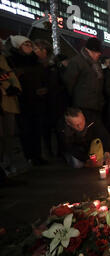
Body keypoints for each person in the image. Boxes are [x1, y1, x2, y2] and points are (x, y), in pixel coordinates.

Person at [7, 35, 48, 166]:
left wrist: (44, 88)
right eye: (26, 45)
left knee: (37, 129)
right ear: (19, 47)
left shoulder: (36, 62)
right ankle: (29, 156)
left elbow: (43, 78)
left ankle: (37, 155)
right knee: (25, 130)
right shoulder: (12, 61)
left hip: (37, 100)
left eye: (30, 45)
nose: (30, 47)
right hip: (22, 101)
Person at [63, 37, 104, 122]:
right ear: (89, 50)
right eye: (97, 52)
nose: (99, 55)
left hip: (95, 105)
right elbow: (69, 83)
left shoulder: (96, 64)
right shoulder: (77, 62)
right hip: (81, 105)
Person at [0, 40, 22, 175]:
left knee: (8, 135)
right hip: (3, 101)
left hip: (8, 103)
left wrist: (13, 88)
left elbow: (11, 76)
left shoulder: (5, 59)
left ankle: (9, 164)